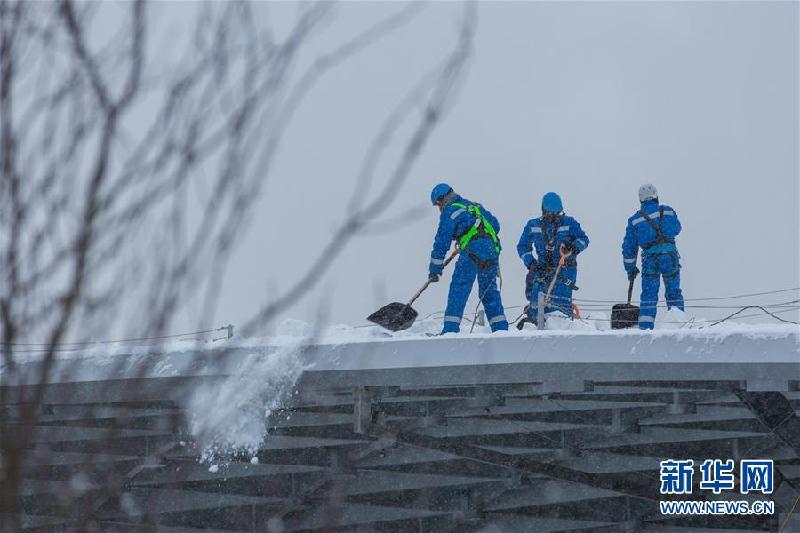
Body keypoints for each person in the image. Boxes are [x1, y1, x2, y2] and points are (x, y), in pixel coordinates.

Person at [428, 183, 508, 334]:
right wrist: (465, 236)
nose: (438, 207)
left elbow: (441, 242)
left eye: (438, 203)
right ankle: (501, 330)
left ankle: (450, 331)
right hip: (492, 251)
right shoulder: (474, 206)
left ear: (442, 199)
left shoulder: (450, 212)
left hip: (473, 251)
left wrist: (435, 268)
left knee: (459, 289)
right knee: (489, 292)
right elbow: (495, 226)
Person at [516, 192, 589, 326]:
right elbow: (522, 246)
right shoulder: (533, 225)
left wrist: (573, 247)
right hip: (541, 269)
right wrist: (531, 263)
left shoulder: (569, 223)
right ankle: (533, 325)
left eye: (557, 214)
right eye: (551, 214)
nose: (555, 218)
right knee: (537, 300)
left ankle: (562, 328)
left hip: (565, 269)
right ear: (544, 211)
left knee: (559, 304)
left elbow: (584, 240)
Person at [622, 184, 684, 329]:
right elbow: (677, 229)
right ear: (656, 195)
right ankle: (678, 325)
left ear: (640, 199)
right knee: (674, 292)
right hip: (670, 257)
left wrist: (630, 269)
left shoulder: (635, 220)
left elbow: (629, 248)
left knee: (649, 295)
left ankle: (645, 328)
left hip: (650, 260)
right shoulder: (668, 211)